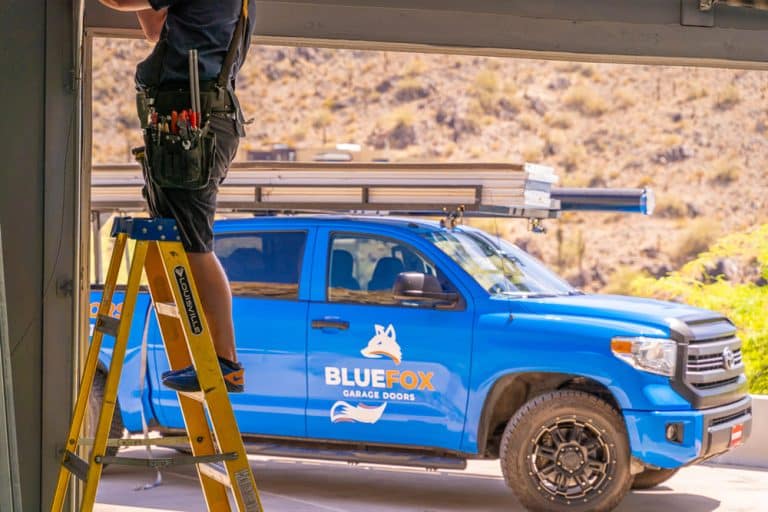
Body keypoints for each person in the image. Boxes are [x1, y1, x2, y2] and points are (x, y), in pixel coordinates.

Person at [99, 0, 256, 393]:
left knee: (194, 244)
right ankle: (214, 359)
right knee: (183, 239)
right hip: (195, 120)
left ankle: (224, 362)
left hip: (194, 124)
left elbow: (119, 1)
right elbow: (155, 28)